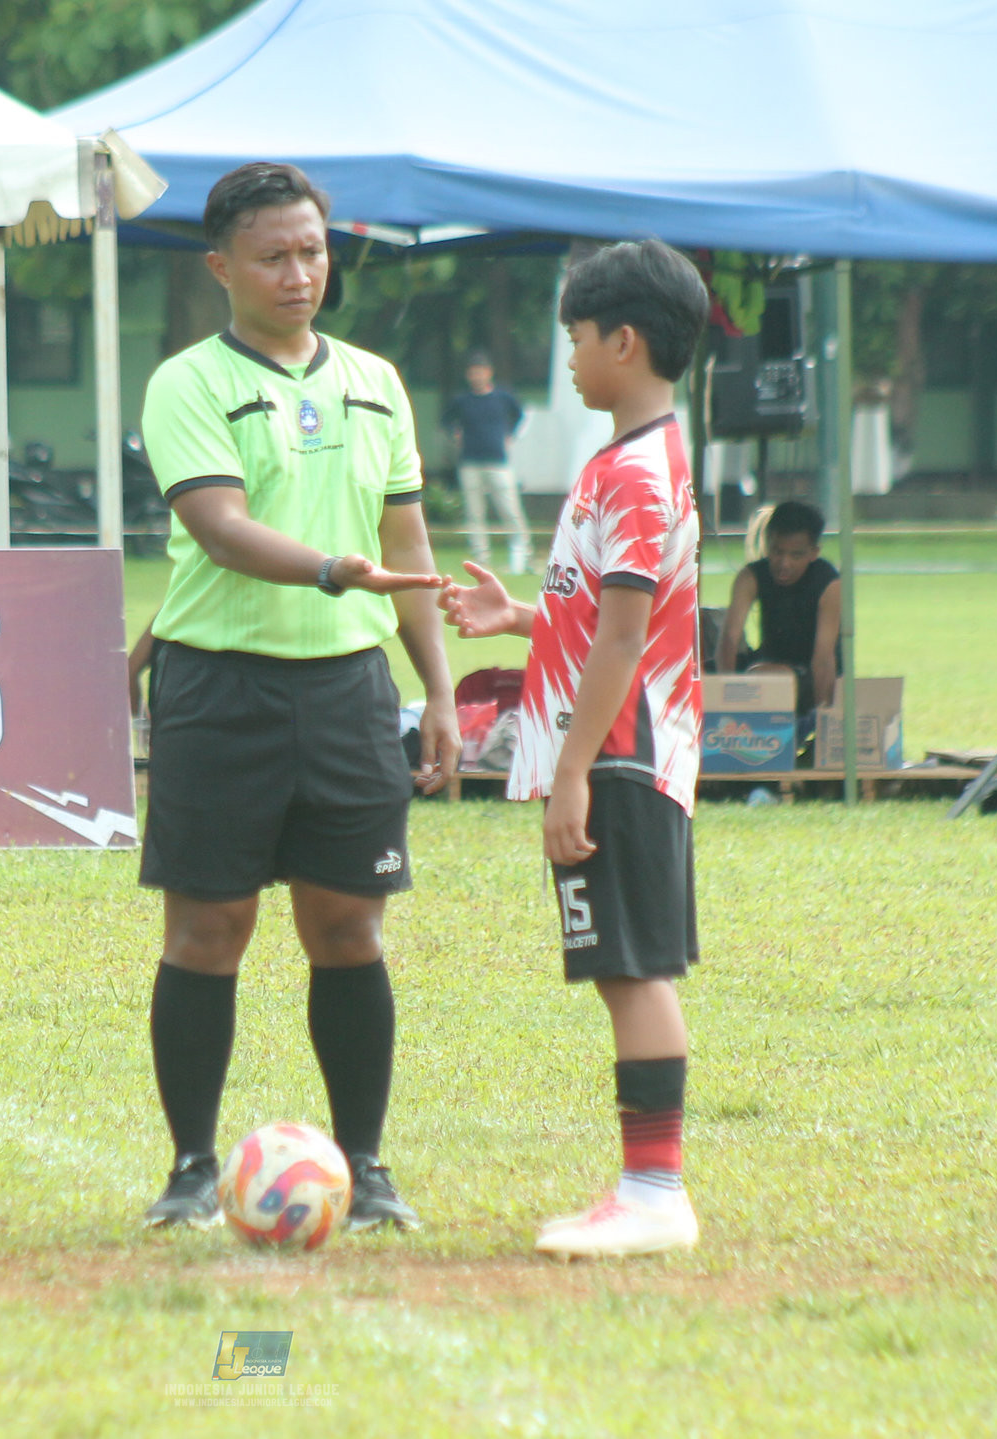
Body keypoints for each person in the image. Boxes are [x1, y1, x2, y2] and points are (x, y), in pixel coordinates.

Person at [135, 161, 459, 1234]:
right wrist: (331, 567)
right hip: (217, 685)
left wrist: (439, 694)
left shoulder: (375, 379)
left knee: (348, 928)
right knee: (207, 930)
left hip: (349, 692)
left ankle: (364, 1168)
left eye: (312, 251)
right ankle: (189, 1166)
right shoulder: (186, 381)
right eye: (272, 256)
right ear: (220, 266)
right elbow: (219, 525)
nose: (296, 273)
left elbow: (405, 544)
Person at [440, 238, 708, 1259]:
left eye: (576, 337)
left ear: (623, 340)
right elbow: (600, 616)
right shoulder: (622, 458)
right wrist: (519, 616)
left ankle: (652, 1195)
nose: (567, 356)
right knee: (620, 969)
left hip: (622, 753)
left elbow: (623, 638)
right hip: (619, 744)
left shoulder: (638, 472)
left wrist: (569, 774)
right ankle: (646, 1188)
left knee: (633, 970)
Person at [713, 499, 841, 710]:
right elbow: (729, 638)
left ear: (813, 553)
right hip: (765, 667)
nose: (784, 564)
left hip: (810, 674)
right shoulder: (751, 576)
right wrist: (727, 693)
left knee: (765, 676)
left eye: (795, 555)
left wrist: (823, 718)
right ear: (768, 544)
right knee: (696, 672)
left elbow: (824, 659)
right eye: (777, 552)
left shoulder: (828, 583)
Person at [441, 351, 531, 573]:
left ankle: (520, 557)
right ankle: (481, 559)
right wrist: (456, 435)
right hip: (470, 463)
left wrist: (510, 434)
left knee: (510, 510)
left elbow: (519, 415)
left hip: (498, 462)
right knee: (475, 513)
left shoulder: (502, 397)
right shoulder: (462, 401)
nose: (477, 376)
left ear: (489, 373)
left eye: (480, 372)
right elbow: (446, 421)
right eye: (473, 373)